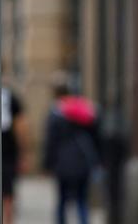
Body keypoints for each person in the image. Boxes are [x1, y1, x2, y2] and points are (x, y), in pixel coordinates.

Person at [43, 83, 100, 224]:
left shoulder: (55, 113)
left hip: (63, 163)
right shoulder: (84, 111)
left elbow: (51, 141)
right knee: (82, 200)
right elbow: (96, 136)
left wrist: (47, 164)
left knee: (62, 201)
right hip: (83, 162)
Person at [1, 81, 30, 224]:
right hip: (7, 153)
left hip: (6, 154)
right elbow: (21, 127)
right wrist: (23, 154)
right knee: (8, 196)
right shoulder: (10, 97)